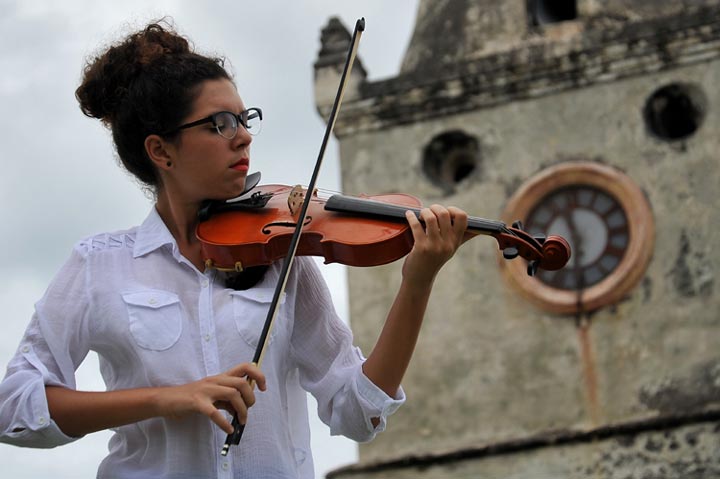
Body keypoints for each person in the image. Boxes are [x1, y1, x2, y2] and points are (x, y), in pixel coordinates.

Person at [0, 20, 468, 478]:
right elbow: (14, 408)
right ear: (162, 152)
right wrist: (168, 398)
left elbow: (356, 411)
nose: (243, 136)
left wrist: (417, 281)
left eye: (245, 120)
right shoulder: (99, 265)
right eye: (220, 124)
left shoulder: (280, 255)